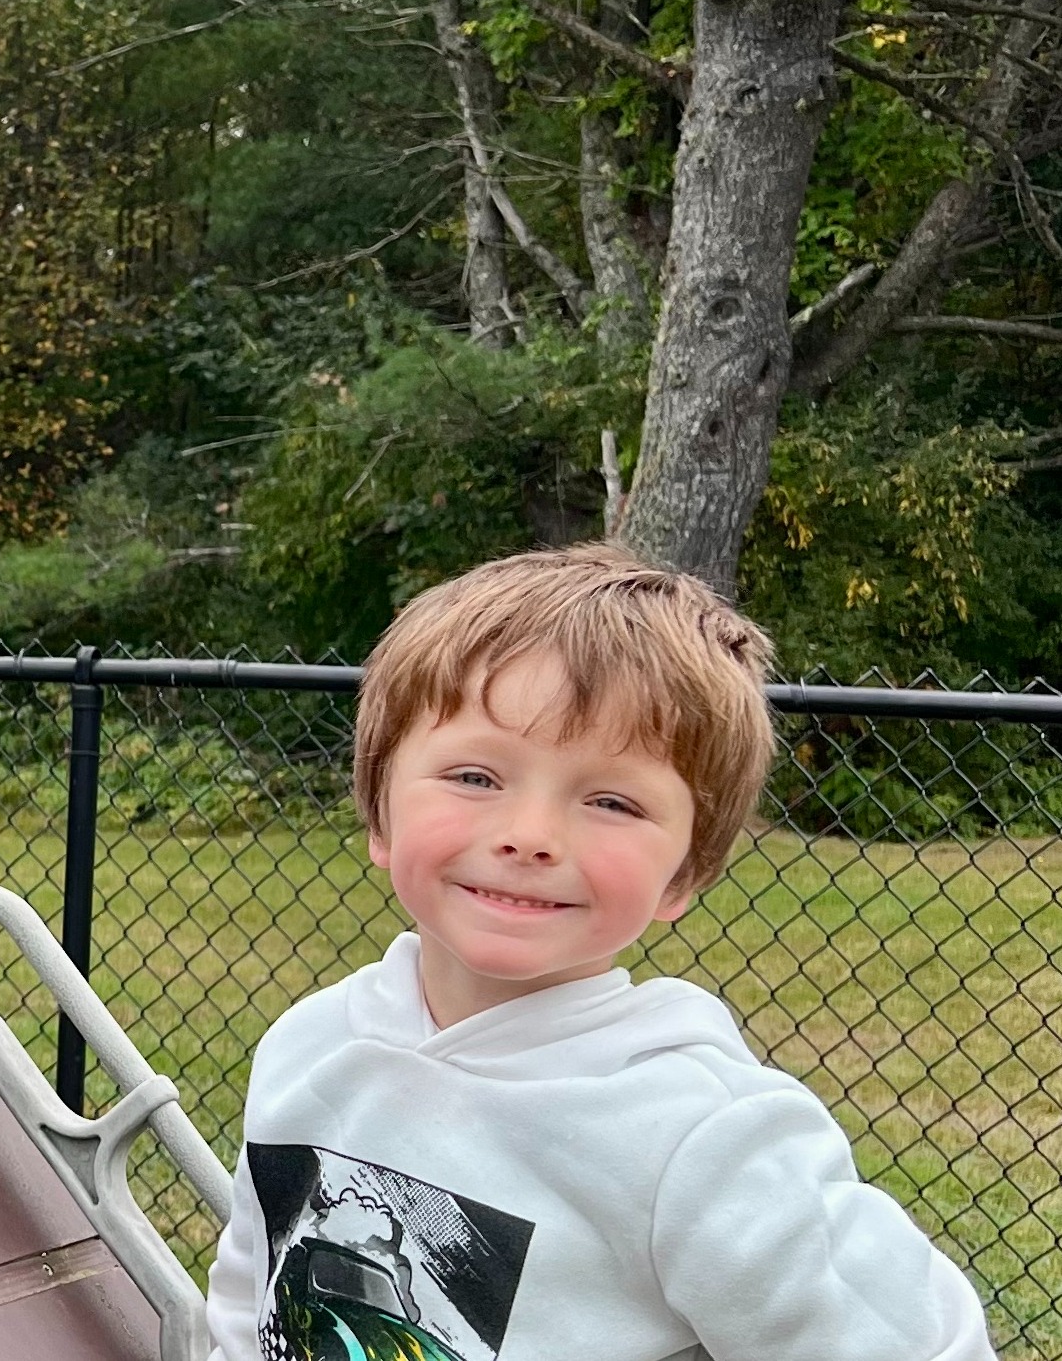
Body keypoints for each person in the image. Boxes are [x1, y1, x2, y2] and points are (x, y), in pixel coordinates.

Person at [203, 545, 993, 1361]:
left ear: (683, 872)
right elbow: (247, 1290)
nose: (531, 835)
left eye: (611, 800)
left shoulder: (703, 1137)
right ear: (379, 812)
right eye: (475, 776)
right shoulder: (308, 1044)